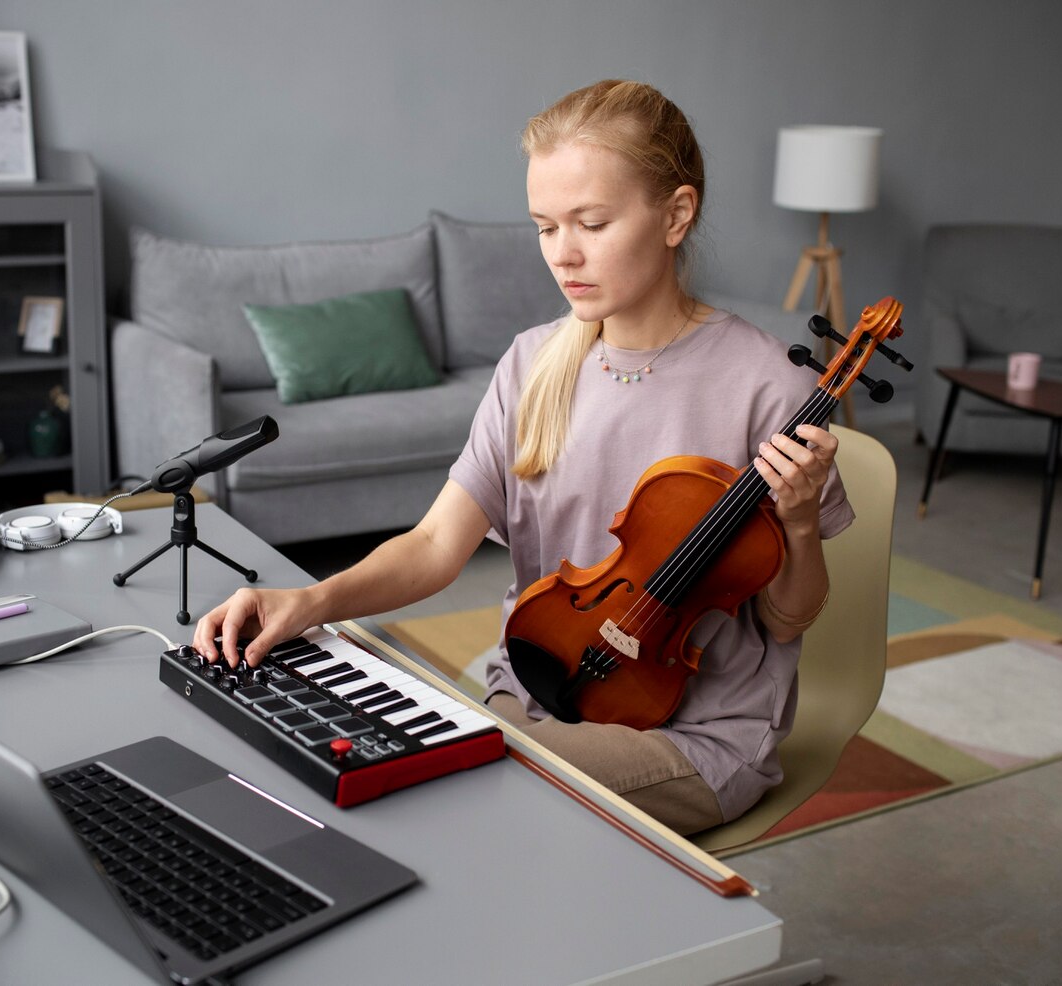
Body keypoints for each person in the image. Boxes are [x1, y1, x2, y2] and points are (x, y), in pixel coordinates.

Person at [192, 79, 854, 835]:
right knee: (388, 774)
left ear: (676, 214)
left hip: (693, 734)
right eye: (545, 228)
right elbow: (438, 545)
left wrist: (799, 522)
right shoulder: (534, 362)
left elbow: (789, 617)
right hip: (539, 685)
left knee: (477, 806)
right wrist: (306, 602)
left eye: (592, 223)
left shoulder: (768, 382)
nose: (563, 255)